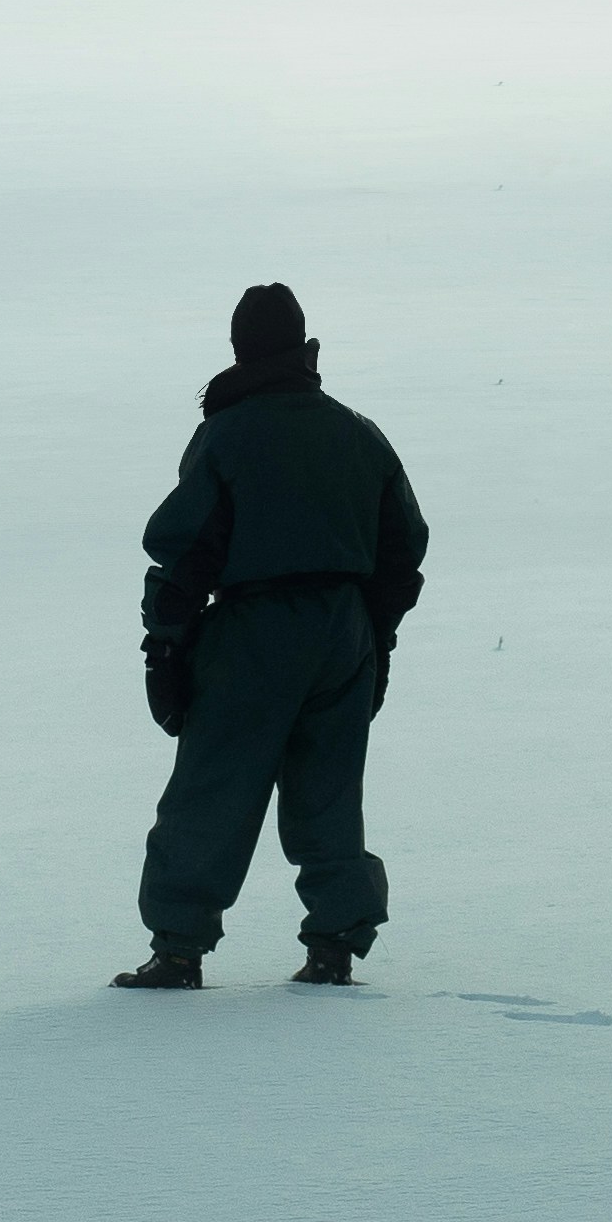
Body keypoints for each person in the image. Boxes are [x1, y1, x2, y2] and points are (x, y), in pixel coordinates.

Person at [113, 283, 429, 989]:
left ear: (239, 348)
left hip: (254, 629)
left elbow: (184, 548)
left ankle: (178, 950)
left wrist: (163, 646)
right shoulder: (357, 432)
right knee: (329, 789)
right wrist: (374, 636)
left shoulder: (227, 433)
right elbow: (402, 549)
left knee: (213, 786)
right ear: (303, 345)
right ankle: (334, 945)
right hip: (344, 629)